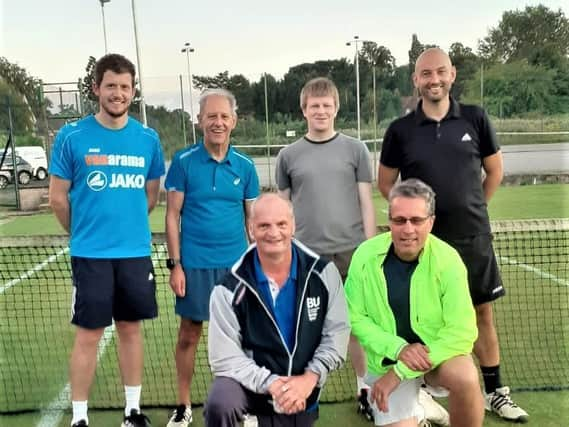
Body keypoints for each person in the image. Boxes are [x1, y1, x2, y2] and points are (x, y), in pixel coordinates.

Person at [378, 47, 528, 423]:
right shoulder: (400, 130)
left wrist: (474, 208)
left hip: (471, 239)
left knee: (481, 314)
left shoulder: (475, 119)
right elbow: (386, 185)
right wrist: (417, 222)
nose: (434, 80)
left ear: (453, 74)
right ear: (416, 80)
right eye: (426, 74)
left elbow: (494, 172)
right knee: (423, 319)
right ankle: (425, 394)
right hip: (424, 247)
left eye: (440, 72)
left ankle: (495, 391)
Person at [48, 53, 165, 427]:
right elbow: (57, 198)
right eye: (111, 85)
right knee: (88, 335)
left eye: (125, 87)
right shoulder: (72, 136)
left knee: (131, 330)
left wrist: (126, 227)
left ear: (134, 92)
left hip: (134, 254)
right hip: (91, 255)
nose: (118, 93)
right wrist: (83, 233)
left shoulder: (148, 139)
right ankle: (79, 418)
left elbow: (150, 196)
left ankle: (132, 412)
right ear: (96, 88)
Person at [275, 77, 377, 419]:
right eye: (314, 106)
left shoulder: (356, 149)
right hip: (306, 257)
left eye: (326, 105)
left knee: (357, 328)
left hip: (351, 252)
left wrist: (371, 248)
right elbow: (282, 209)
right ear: (304, 110)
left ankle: (364, 389)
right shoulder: (288, 156)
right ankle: (300, 393)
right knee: (303, 329)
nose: (321, 111)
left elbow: (366, 201)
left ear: (336, 108)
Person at [345, 178, 484, 427]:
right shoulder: (364, 256)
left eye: (417, 220)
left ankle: (422, 401)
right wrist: (398, 350)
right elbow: (354, 317)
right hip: (386, 362)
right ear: (389, 221)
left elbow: (462, 332)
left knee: (466, 376)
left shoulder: (448, 260)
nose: (407, 229)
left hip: (433, 359)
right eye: (399, 220)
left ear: (430, 222)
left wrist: (401, 372)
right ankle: (421, 411)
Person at [204, 193, 350, 427]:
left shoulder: (323, 274)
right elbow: (224, 357)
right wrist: (271, 383)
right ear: (251, 230)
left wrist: (309, 378)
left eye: (281, 224)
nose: (273, 233)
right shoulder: (228, 289)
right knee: (221, 400)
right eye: (263, 225)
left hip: (301, 392)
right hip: (250, 389)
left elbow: (337, 335)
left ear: (292, 226)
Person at [164, 88, 260, 427]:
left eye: (224, 116)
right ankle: (183, 405)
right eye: (211, 116)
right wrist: (175, 266)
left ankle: (244, 404)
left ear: (233, 121)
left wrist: (256, 267)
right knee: (189, 333)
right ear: (200, 120)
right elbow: (172, 216)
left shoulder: (246, 167)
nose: (217, 122)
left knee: (243, 336)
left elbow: (253, 221)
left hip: (235, 270)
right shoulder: (183, 162)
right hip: (194, 266)